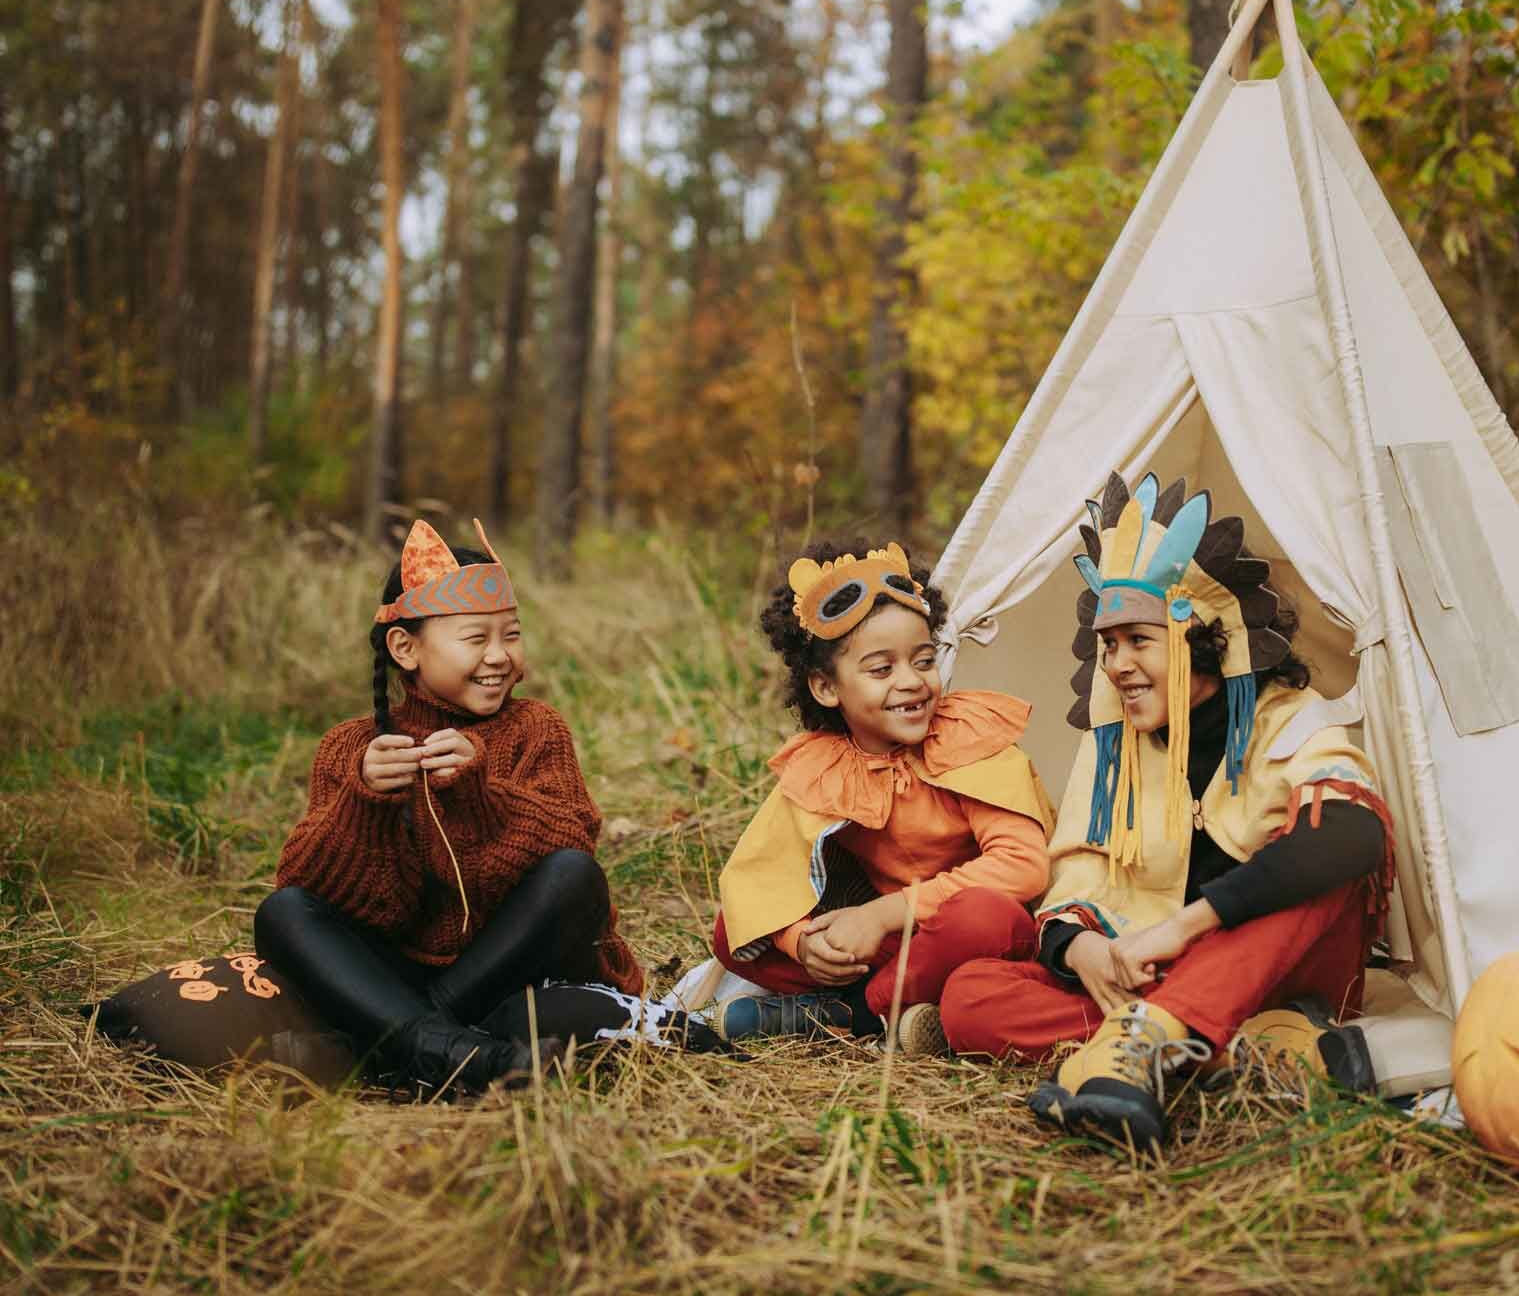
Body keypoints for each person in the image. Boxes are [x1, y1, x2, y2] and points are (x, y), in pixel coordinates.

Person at [941, 474, 1394, 1150]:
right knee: (969, 994)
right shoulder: (1111, 748)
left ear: (1203, 639)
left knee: (1314, 857)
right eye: (1108, 645)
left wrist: (1189, 925)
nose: (1117, 665)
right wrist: (1082, 947)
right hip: (1163, 977)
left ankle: (1141, 1047)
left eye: (1138, 641)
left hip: (1270, 968)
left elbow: (1356, 835)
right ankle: (1251, 1053)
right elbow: (1078, 877)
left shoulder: (1290, 723)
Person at [253, 519, 666, 1096]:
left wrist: (482, 794)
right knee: (284, 913)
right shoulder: (352, 748)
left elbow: (572, 849)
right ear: (406, 648)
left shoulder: (536, 730)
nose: (500, 656)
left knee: (574, 874)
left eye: (512, 635)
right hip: (397, 968)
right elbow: (318, 888)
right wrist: (363, 802)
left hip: (508, 973)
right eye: (476, 639)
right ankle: (459, 1049)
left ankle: (402, 1045)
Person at [705, 540, 1053, 1055]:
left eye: (924, 660)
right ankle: (895, 1005)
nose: (912, 682)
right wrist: (802, 941)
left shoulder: (967, 739)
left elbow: (1024, 867)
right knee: (734, 924)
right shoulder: (826, 766)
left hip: (963, 935)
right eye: (881, 669)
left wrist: (884, 914)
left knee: (983, 917)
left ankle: (854, 1014)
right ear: (826, 687)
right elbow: (761, 878)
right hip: (890, 946)